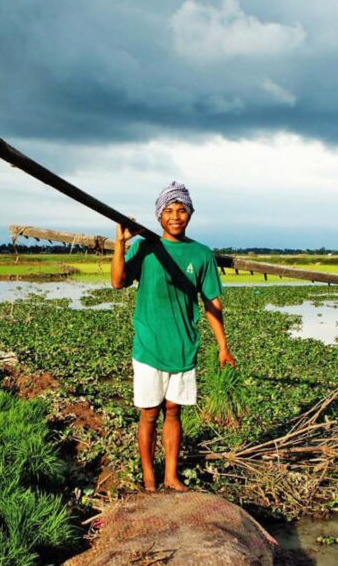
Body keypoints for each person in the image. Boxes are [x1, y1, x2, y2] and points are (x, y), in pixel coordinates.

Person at [111, 181, 235, 492]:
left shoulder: (201, 254)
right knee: (149, 414)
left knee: (174, 412)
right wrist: (121, 243)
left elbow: (211, 303)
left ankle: (171, 476)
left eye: (181, 210)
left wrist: (223, 346)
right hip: (150, 346)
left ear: (190, 214)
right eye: (169, 210)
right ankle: (150, 480)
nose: (176, 216)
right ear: (159, 216)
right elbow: (117, 282)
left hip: (184, 347)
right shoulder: (146, 247)